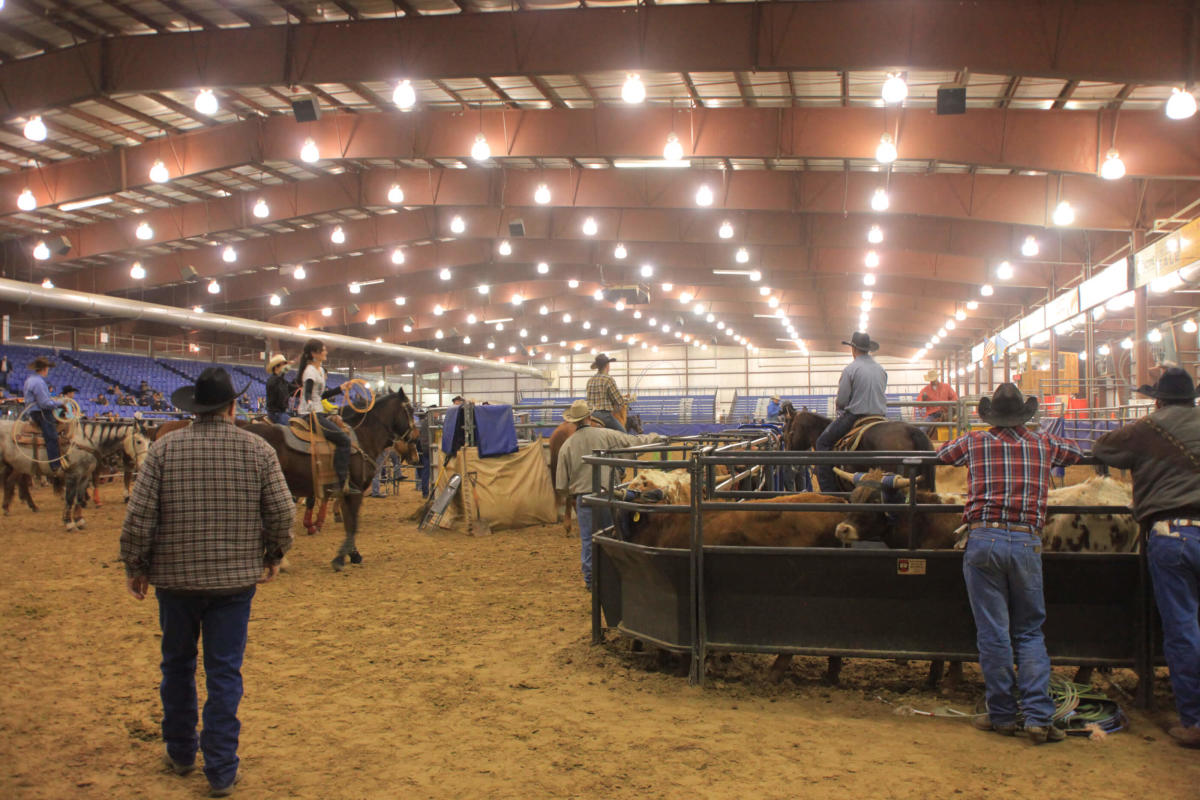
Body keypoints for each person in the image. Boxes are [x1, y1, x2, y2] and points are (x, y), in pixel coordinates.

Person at [120, 367, 294, 797]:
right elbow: (282, 514)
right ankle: (220, 769)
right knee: (224, 672)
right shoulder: (257, 450)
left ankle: (180, 752)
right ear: (233, 407)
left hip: (175, 582)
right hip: (234, 584)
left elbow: (138, 518)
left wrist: (136, 565)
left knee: (176, 665)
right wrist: (273, 555)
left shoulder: (164, 450)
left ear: (194, 409)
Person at [938, 383, 1082, 744]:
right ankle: (1037, 716)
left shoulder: (974, 442)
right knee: (1030, 630)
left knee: (993, 630)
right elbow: (1076, 454)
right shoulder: (1042, 443)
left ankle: (1001, 715)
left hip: (983, 538)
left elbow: (943, 456)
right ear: (1025, 415)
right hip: (1027, 539)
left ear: (991, 416)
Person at [1091, 367, 1200, 748]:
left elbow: (1102, 448)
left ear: (1158, 399)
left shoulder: (1149, 427)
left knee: (1183, 628)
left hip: (1174, 532)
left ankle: (1196, 721)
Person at [555, 399, 663, 590]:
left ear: (573, 421)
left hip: (584, 499)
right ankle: (615, 575)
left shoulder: (567, 446)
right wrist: (657, 437)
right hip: (606, 494)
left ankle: (590, 581)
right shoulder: (605, 434)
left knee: (588, 539)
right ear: (589, 417)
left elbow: (562, 485)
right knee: (613, 534)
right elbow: (633, 442)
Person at [814, 332, 888, 493]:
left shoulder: (851, 369)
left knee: (823, 443)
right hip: (879, 417)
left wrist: (842, 407)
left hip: (856, 416)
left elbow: (842, 400)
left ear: (853, 349)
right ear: (868, 349)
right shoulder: (881, 369)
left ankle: (829, 492)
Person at [294, 339, 354, 494]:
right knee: (344, 440)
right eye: (323, 350)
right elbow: (307, 392)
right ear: (315, 353)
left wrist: (340, 388)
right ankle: (341, 483)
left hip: (317, 411)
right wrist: (309, 405)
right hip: (311, 414)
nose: (326, 352)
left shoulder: (320, 371)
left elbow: (320, 395)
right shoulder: (310, 371)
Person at [22, 357, 66, 473]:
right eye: (47, 368)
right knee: (52, 436)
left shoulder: (30, 379)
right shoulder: (39, 382)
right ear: (44, 369)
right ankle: (55, 465)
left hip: (33, 411)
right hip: (41, 413)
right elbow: (44, 403)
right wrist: (60, 404)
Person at [585, 353, 626, 433]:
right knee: (623, 434)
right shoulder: (608, 379)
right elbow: (619, 401)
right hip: (604, 415)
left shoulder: (590, 380)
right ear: (607, 365)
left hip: (589, 415)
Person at [265, 354, 293, 425]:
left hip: (282, 412)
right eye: (284, 364)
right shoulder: (272, 381)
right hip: (276, 414)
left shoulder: (282, 381)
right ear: (276, 367)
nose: (286, 366)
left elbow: (292, 388)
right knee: (292, 427)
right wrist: (283, 373)